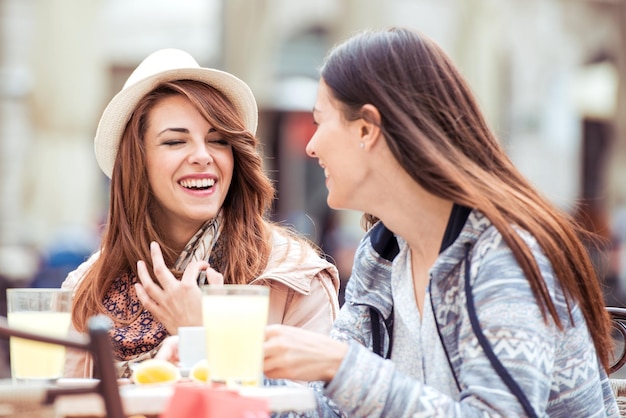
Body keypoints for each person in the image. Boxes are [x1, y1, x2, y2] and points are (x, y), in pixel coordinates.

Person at [263, 27, 619, 417]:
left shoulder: (501, 257)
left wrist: (340, 366)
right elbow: (332, 408)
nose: (310, 145)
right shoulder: (383, 254)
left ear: (366, 129)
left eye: (320, 121)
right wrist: (218, 369)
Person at [61, 48, 340, 378]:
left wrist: (200, 334)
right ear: (138, 163)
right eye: (175, 142)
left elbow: (309, 409)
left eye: (219, 140)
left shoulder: (294, 277)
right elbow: (61, 405)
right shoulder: (86, 287)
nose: (202, 156)